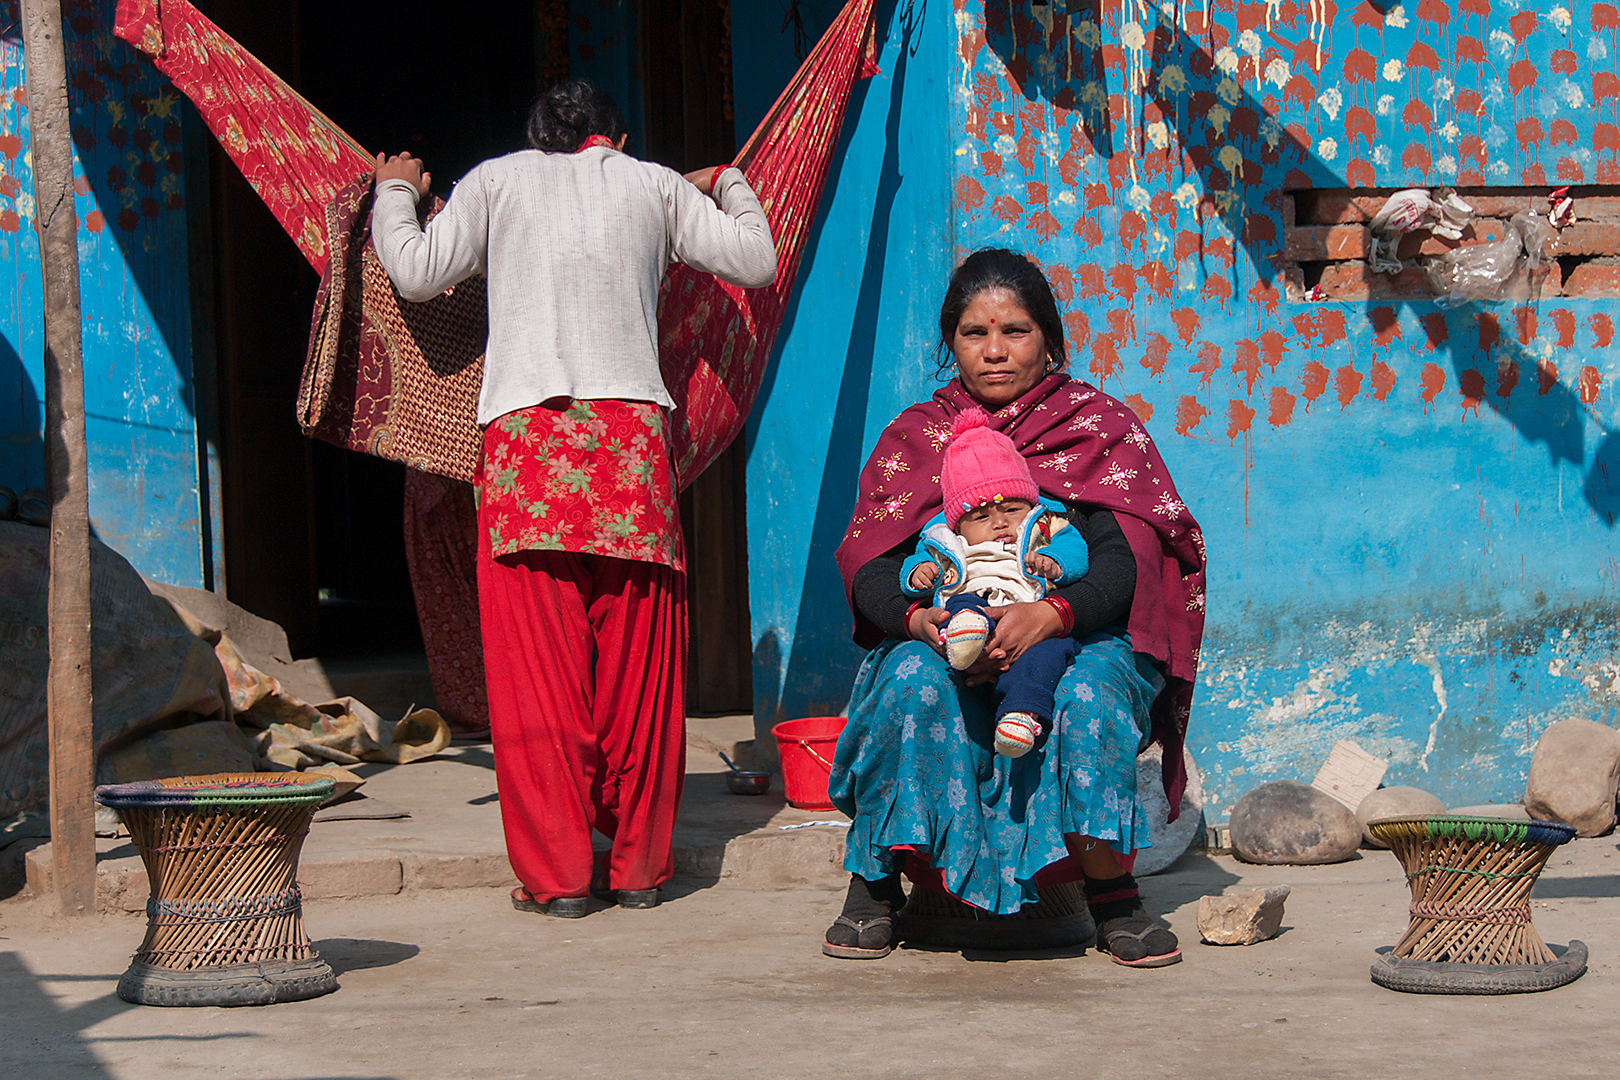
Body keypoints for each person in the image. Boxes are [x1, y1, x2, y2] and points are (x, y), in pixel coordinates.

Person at [371, 79, 777, 917]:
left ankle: (559, 883)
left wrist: (394, 193)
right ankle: (636, 874)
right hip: (629, 450)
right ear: (615, 139)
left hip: (526, 451)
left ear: (537, 137)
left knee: (538, 676)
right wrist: (727, 180)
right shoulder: (652, 183)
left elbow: (413, 273)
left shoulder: (493, 180)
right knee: (638, 667)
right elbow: (756, 260)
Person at [826, 248, 1205, 965]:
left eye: (1016, 331)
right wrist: (918, 623)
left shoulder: (1097, 430)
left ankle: (1112, 896)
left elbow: (1128, 563)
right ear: (951, 342)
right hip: (946, 631)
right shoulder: (917, 438)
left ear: (1049, 339)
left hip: (1074, 633)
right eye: (974, 333)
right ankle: (873, 883)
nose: (995, 351)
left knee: (1090, 692)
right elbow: (871, 564)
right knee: (908, 679)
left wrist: (1052, 617)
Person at [897, 406, 1090, 757]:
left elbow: (1077, 552)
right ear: (958, 525)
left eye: (1012, 510)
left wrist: (1056, 563)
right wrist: (918, 574)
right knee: (960, 607)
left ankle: (1019, 716)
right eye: (982, 516)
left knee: (1051, 655)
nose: (1000, 522)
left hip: (1032, 619)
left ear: (1029, 505)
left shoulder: (1046, 527)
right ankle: (966, 634)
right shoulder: (944, 542)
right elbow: (914, 563)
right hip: (973, 608)